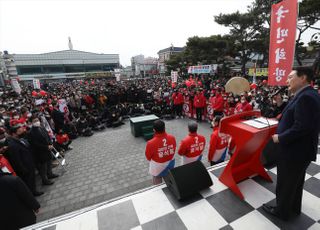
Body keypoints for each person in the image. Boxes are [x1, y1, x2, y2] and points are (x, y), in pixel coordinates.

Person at [263, 67, 320, 220]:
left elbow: (302, 127)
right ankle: (293, 208)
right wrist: (281, 103)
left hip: (295, 151)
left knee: (286, 183)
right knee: (295, 182)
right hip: (300, 150)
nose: (287, 80)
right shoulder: (305, 94)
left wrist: (280, 138)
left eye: (290, 77)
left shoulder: (306, 97)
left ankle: (281, 212)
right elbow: (293, 113)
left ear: (303, 78)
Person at [6, 124, 43, 196]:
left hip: (29, 163)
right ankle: (32, 193)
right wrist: (23, 169)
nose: (22, 131)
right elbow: (16, 160)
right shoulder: (13, 145)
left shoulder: (19, 140)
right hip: (25, 167)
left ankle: (34, 191)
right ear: (14, 134)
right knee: (29, 181)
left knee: (32, 179)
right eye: (19, 131)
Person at [28, 117, 58, 185]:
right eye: (35, 121)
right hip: (40, 152)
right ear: (31, 123)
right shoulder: (31, 132)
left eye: (37, 120)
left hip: (48, 148)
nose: (37, 122)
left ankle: (50, 174)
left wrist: (50, 144)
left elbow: (47, 136)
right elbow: (35, 144)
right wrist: (46, 147)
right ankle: (45, 180)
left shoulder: (42, 127)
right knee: (43, 167)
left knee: (49, 162)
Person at [145, 120, 176, 185]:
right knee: (169, 182)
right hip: (170, 164)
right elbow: (173, 150)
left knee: (157, 186)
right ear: (164, 128)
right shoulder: (172, 138)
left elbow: (148, 157)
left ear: (154, 130)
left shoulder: (150, 143)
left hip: (157, 168)